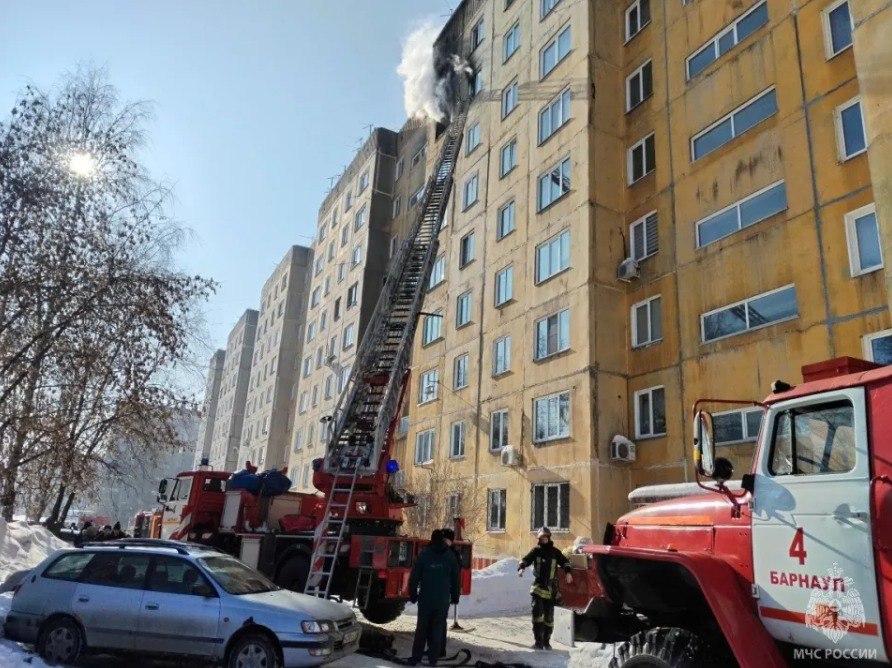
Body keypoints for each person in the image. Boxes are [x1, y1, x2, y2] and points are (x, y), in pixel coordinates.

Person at [408, 530, 460, 666]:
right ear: (443, 540)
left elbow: (414, 577)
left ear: (431, 539)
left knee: (422, 629)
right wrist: (455, 596)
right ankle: (433, 659)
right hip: (442, 601)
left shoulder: (424, 554)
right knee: (437, 629)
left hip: (425, 599)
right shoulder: (450, 556)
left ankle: (416, 657)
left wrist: (412, 594)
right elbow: (456, 579)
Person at [517, 526, 573, 650]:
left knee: (549, 618)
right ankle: (538, 642)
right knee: (537, 615)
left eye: (545, 537)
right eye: (541, 537)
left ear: (549, 537)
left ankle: (546, 642)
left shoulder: (555, 552)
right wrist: (521, 568)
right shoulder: (536, 551)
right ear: (539, 538)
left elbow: (565, 562)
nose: (543, 539)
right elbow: (526, 559)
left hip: (551, 590)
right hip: (538, 588)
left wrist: (568, 573)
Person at [437, 528, 463, 659]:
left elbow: (456, 577)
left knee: (440, 621)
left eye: (443, 539)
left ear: (449, 540)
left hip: (444, 592)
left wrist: (455, 595)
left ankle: (439, 650)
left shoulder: (453, 555)